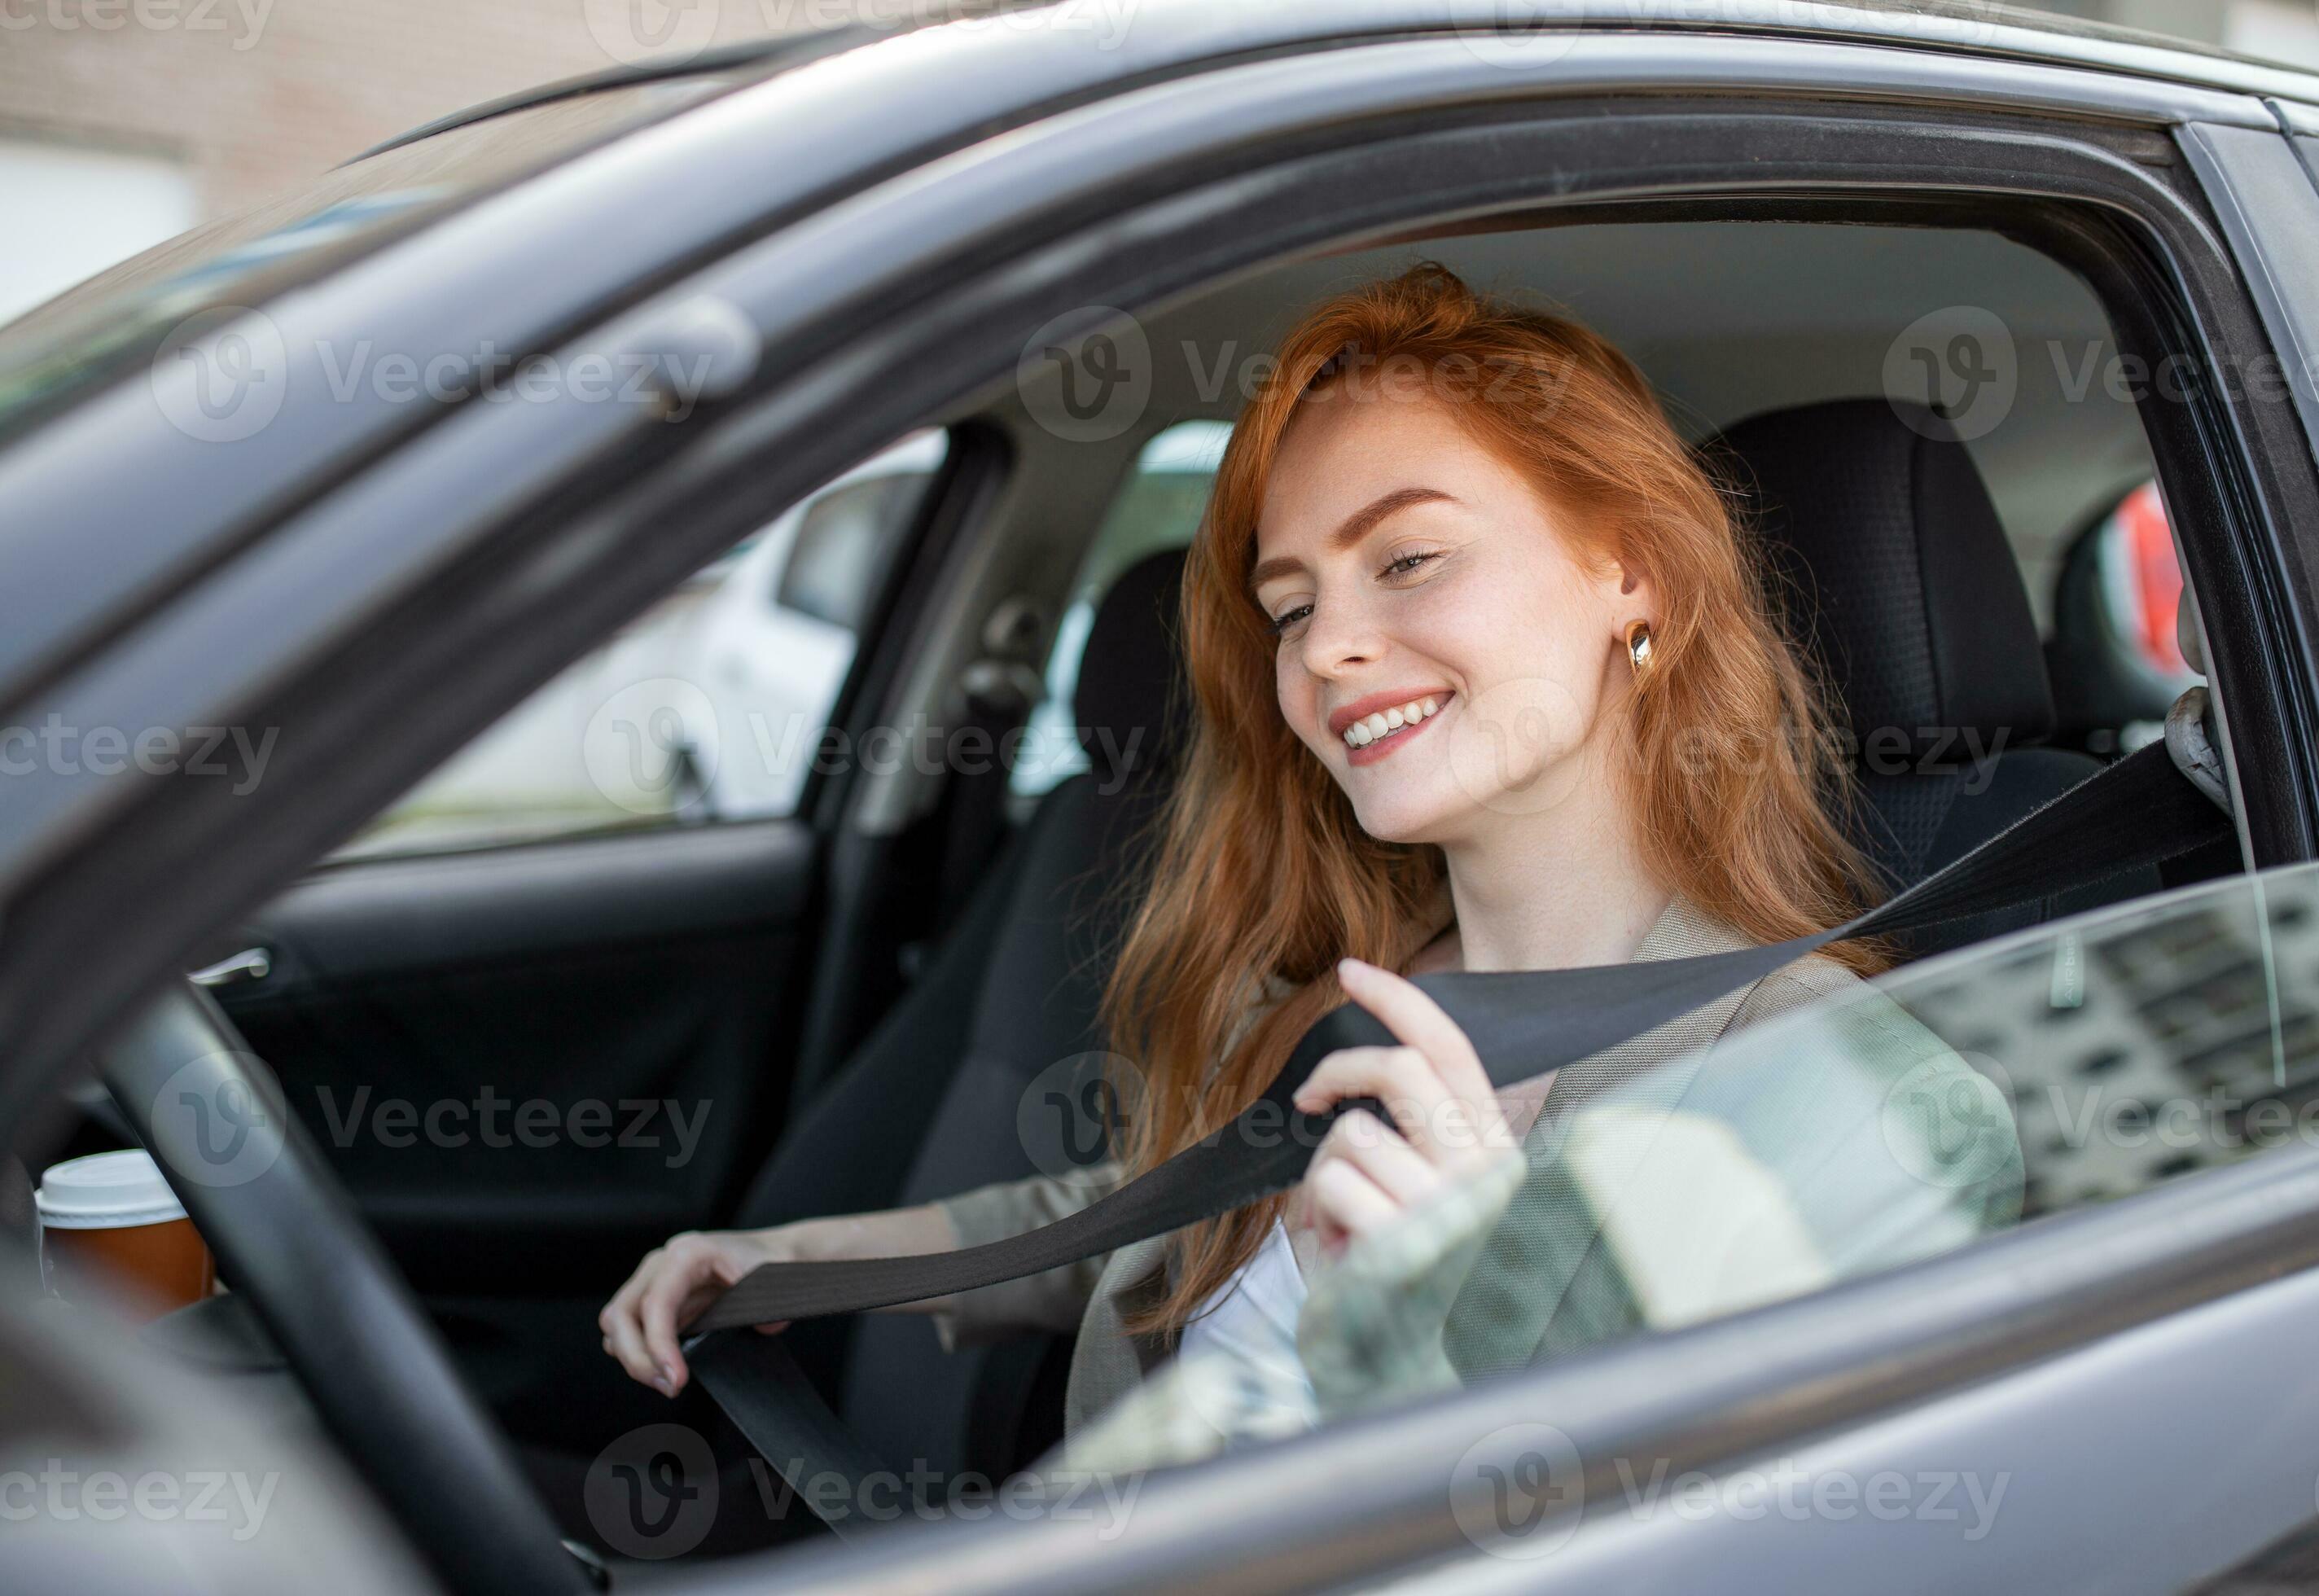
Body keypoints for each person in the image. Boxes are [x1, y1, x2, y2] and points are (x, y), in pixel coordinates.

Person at [602, 261, 2005, 1451]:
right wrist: (805, 1267)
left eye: (1406, 562)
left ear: (1627, 569)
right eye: (1290, 605)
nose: (1327, 649)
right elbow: (1149, 1213)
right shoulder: (1343, 992)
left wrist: (1461, 1324)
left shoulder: (1861, 1105)